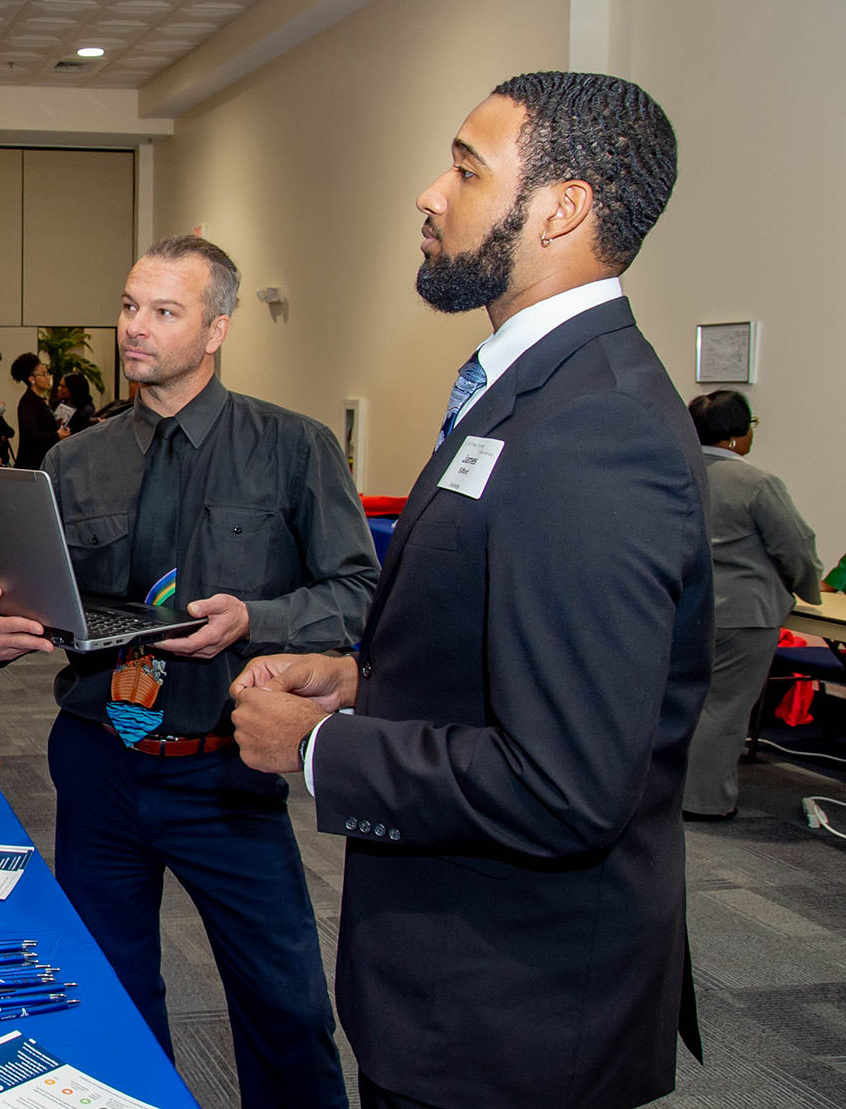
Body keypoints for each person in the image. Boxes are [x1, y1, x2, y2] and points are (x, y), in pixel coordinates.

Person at [229, 72, 710, 1109]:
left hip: (514, 1015)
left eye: (464, 168)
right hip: (461, 986)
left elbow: (567, 783)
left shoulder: (595, 428)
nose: (428, 194)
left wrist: (316, 748)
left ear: (563, 209)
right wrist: (363, 678)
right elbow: (512, 639)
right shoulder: (533, 389)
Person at [0, 234, 377, 1108]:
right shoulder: (74, 462)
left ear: (217, 327)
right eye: (129, 306)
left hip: (226, 767)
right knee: (109, 999)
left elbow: (359, 593)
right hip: (100, 759)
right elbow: (26, 598)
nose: (134, 328)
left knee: (285, 1005)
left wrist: (256, 619)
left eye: (164, 311)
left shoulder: (292, 449)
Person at [681, 390, 821, 820]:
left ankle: (662, 798)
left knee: (685, 704)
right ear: (735, 438)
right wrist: (810, 593)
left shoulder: (678, 473)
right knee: (724, 709)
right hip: (743, 615)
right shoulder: (757, 483)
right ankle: (704, 802)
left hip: (684, 608)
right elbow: (796, 547)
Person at [10, 351, 65, 471]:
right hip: (31, 465)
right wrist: (56, 435)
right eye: (43, 374)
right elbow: (31, 435)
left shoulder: (38, 400)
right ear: (32, 379)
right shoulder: (28, 402)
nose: (48, 378)